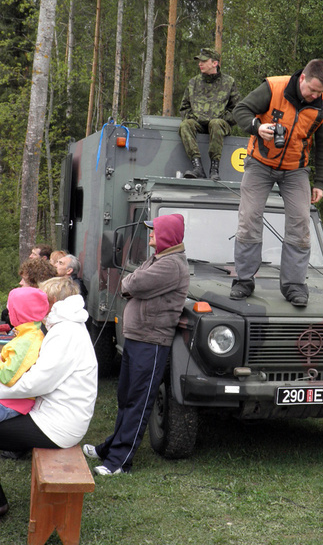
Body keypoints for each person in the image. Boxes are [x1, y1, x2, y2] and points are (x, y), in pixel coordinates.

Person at [83, 214, 189, 475]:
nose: (150, 234)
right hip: (137, 337)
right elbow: (128, 283)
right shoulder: (158, 258)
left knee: (139, 402)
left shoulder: (170, 265)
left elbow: (133, 283)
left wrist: (130, 284)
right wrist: (130, 284)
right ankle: (111, 447)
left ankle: (120, 462)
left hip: (151, 341)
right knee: (126, 398)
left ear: (167, 234)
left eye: (155, 230)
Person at [230, 59, 323, 307]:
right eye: (312, 89)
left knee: (300, 223)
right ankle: (244, 280)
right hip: (259, 164)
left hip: (296, 170)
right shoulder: (273, 88)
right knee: (249, 218)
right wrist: (257, 127)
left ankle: (294, 285)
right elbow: (240, 110)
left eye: (320, 92)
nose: (315, 95)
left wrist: (320, 181)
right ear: (302, 79)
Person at [0, 276, 98, 517]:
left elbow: (36, 383)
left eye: (43, 300)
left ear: (53, 302)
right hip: (54, 416)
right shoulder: (66, 326)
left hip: (58, 426)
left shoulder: (65, 333)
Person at [179, 47, 240, 180]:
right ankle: (198, 167)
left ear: (215, 63)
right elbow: (184, 108)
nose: (200, 64)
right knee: (185, 125)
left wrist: (221, 117)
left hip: (219, 125)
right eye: (199, 61)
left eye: (204, 61)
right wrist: (195, 117)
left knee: (216, 123)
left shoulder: (228, 82)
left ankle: (214, 169)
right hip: (199, 124)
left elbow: (236, 111)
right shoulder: (193, 83)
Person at [0, 287, 50, 422]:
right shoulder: (27, 333)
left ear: (19, 313)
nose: (8, 313)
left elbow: (8, 376)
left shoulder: (28, 340)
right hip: (9, 399)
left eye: (10, 310)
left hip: (10, 404)